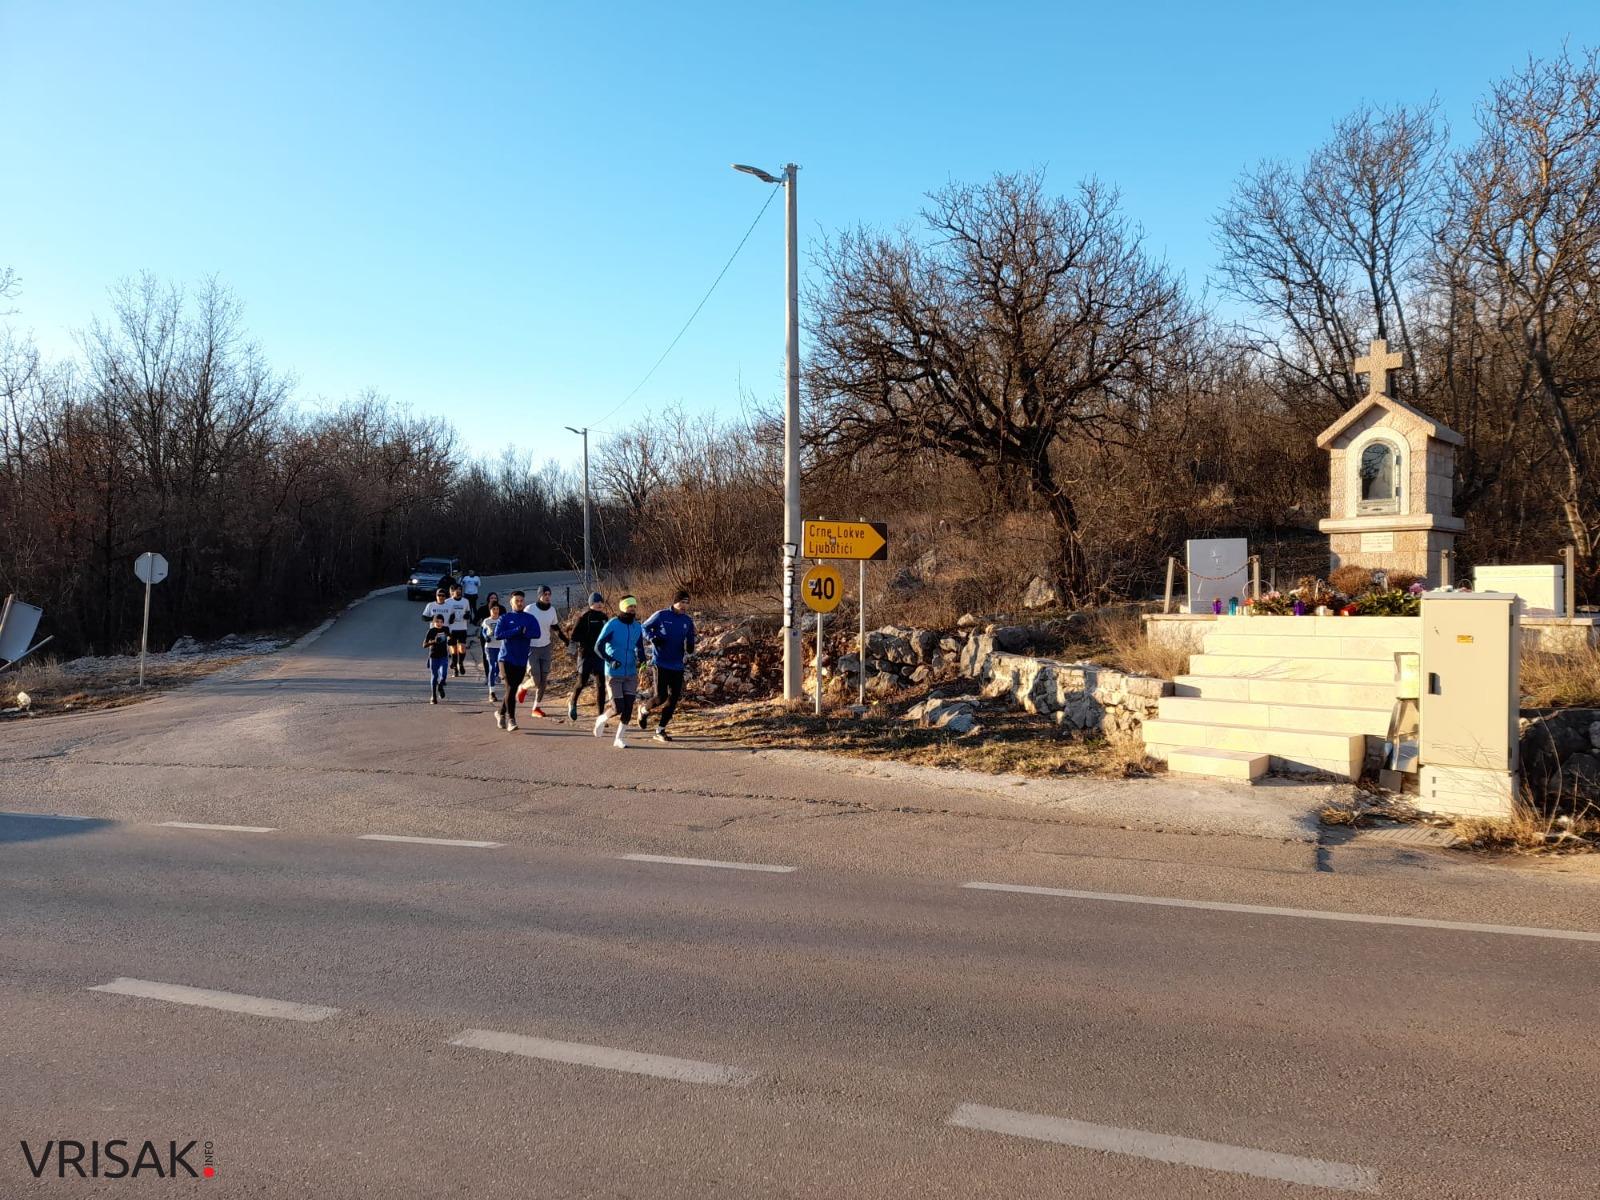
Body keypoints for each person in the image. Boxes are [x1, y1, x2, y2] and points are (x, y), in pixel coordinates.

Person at [639, 590, 696, 742]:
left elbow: (691, 635)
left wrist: (690, 644)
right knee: (661, 696)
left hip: (677, 664)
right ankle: (643, 710)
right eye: (682, 602)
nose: (684, 606)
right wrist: (653, 638)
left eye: (687, 603)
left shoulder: (687, 621)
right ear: (675, 602)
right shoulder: (661, 615)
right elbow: (643, 628)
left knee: (674, 698)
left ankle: (660, 730)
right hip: (661, 662)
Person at [594, 595, 647, 750]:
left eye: (634, 606)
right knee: (618, 707)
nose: (632, 609)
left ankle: (619, 738)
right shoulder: (613, 624)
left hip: (630, 672)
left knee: (629, 706)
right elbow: (598, 647)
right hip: (613, 672)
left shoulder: (637, 626)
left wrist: (642, 661)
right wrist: (610, 660)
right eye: (629, 606)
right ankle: (602, 719)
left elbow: (640, 647)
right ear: (623, 607)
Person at [514, 584, 568, 718]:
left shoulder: (552, 610)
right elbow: (520, 623)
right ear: (540, 595)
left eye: (549, 594)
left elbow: (555, 627)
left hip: (546, 647)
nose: (548, 597)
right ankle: (523, 687)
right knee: (536, 679)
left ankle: (536, 707)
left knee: (544, 681)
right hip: (531, 647)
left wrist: (565, 640)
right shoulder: (530, 609)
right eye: (545, 594)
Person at [491, 590, 541, 732]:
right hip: (505, 658)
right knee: (511, 688)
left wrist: (525, 632)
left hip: (521, 659)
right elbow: (498, 634)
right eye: (516, 601)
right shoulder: (505, 618)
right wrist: (516, 630)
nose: (519, 603)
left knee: (511, 690)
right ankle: (511, 720)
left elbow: (537, 633)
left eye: (521, 601)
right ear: (511, 602)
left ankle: (500, 712)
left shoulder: (529, 618)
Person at [567, 592, 609, 722]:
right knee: (582, 682)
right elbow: (573, 636)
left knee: (601, 685)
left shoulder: (604, 617)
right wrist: (586, 639)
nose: (599, 604)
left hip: (599, 655)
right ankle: (573, 702)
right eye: (596, 602)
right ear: (591, 604)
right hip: (585, 654)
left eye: (601, 602)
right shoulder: (584, 617)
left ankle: (600, 716)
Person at [444, 582, 473, 677]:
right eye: (456, 590)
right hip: (451, 629)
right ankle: (455, 668)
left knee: (462, 648)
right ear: (452, 592)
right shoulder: (447, 602)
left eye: (460, 589)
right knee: (453, 649)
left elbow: (468, 612)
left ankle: (460, 663)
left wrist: (467, 615)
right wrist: (449, 619)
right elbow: (444, 615)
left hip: (462, 628)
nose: (459, 591)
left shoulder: (465, 601)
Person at [423, 613, 451, 703]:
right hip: (433, 656)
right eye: (437, 622)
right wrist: (433, 641)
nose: (439, 623)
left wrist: (451, 639)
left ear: (443, 622)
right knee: (434, 676)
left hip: (443, 655)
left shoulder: (445, 629)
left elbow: (450, 637)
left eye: (441, 622)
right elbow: (424, 645)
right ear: (433, 622)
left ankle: (440, 685)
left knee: (444, 675)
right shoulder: (431, 631)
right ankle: (433, 696)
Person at [481, 601, 505, 702]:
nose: (495, 611)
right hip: (490, 647)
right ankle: (492, 692)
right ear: (490, 610)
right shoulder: (487, 621)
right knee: (492, 666)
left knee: (499, 667)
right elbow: (483, 631)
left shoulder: (502, 620)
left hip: (501, 646)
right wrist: (486, 637)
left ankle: (496, 676)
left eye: (497, 609)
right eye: (493, 609)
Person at [478, 591, 501, 675]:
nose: (493, 599)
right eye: (491, 598)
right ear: (488, 599)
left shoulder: (501, 608)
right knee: (486, 656)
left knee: (499, 656)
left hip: (498, 637)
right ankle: (488, 674)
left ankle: (497, 673)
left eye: (495, 598)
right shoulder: (482, 609)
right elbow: (475, 620)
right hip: (486, 636)